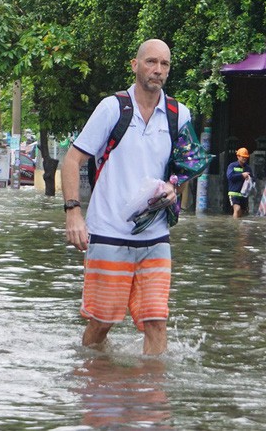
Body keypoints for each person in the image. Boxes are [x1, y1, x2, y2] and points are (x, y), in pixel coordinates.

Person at [61, 39, 191, 355]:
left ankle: (150, 398)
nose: (157, 70)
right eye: (151, 62)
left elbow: (183, 169)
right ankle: (91, 373)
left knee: (156, 321)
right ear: (135, 65)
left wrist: (175, 189)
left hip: (156, 235)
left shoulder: (178, 114)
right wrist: (73, 213)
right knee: (102, 321)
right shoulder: (112, 108)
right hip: (108, 233)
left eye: (164, 64)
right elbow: (71, 160)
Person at [226, 147, 253, 218]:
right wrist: (242, 175)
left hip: (243, 194)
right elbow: (230, 177)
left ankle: (239, 227)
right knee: (237, 209)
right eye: (243, 157)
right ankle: (235, 226)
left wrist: (250, 178)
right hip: (234, 193)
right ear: (238, 156)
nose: (244, 158)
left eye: (246, 157)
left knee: (242, 213)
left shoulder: (248, 168)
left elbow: (253, 179)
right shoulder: (232, 166)